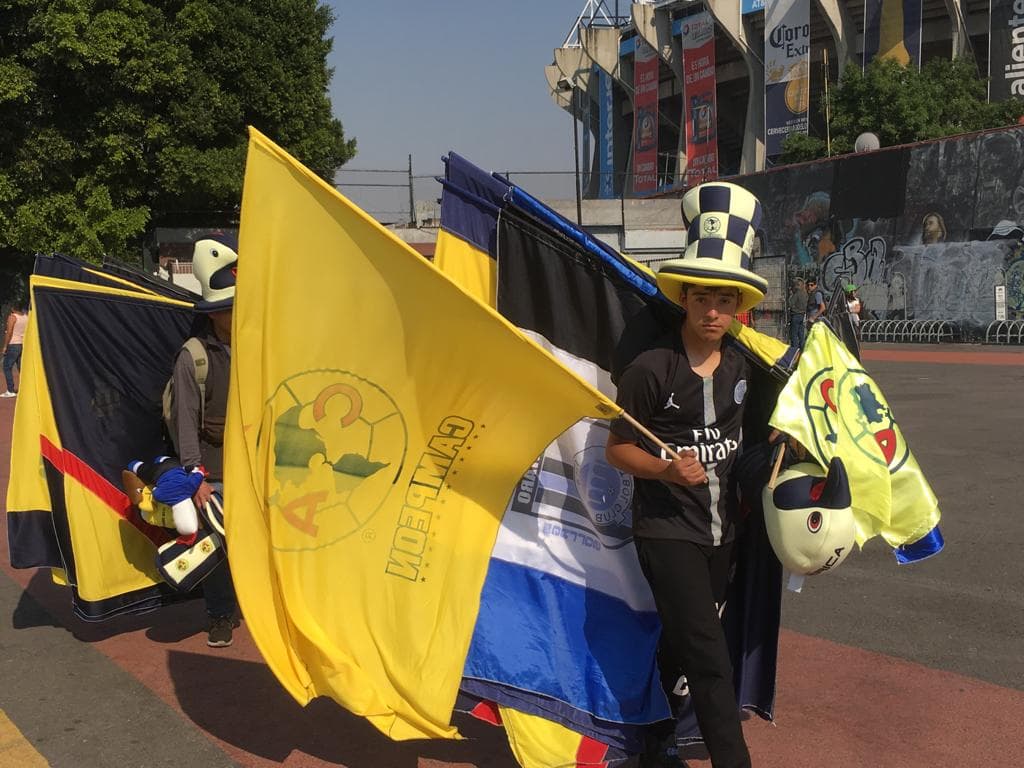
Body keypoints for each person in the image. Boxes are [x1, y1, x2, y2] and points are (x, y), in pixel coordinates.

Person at [607, 182, 766, 768]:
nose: (713, 312)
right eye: (703, 300)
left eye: (725, 301)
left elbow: (766, 432)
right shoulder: (650, 370)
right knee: (707, 654)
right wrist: (666, 470)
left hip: (724, 536)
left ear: (739, 307)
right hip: (665, 529)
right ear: (686, 299)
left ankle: (647, 741)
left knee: (679, 644)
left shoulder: (748, 366)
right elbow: (616, 451)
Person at [167, 235, 239, 647]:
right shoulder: (194, 355)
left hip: (260, 466)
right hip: (215, 469)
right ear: (214, 314)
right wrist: (197, 477)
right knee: (218, 550)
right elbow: (186, 419)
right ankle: (220, 615)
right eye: (229, 306)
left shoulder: (258, 343)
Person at [2, 304, 28, 398]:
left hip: (13, 344)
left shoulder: (12, 317)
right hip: (23, 344)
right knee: (21, 368)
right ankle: (25, 389)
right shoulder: (26, 317)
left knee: (6, 367)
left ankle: (10, 390)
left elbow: (9, 332)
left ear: (13, 308)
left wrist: (5, 346)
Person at [787, 277, 808, 348]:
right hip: (802, 315)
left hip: (795, 315)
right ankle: (802, 348)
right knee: (801, 334)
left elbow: (790, 303)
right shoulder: (805, 294)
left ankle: (794, 349)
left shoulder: (797, 294)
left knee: (794, 334)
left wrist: (790, 295)